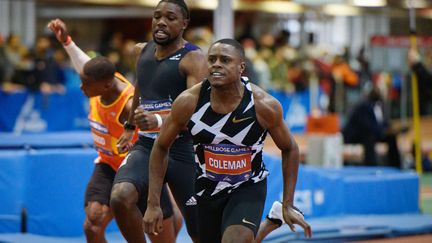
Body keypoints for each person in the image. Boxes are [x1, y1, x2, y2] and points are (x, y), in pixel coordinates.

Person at [143, 38, 312, 242]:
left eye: (225, 60)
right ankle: (269, 224)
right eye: (212, 59)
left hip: (247, 187)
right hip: (206, 187)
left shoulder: (263, 105)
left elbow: (290, 148)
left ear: (241, 67)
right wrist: (153, 203)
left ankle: (270, 219)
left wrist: (288, 203)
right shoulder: (189, 102)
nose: (216, 64)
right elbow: (160, 146)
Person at [47, 18, 182, 243]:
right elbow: (84, 65)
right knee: (93, 223)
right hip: (109, 165)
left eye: (85, 84)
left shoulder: (130, 104)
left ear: (106, 85)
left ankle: (173, 212)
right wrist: (67, 41)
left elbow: (168, 124)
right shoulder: (98, 81)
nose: (81, 88)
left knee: (160, 235)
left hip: (140, 169)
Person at [112, 0, 208, 242]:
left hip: (183, 149)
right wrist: (130, 126)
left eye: (170, 17)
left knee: (201, 232)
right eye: (157, 16)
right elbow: (140, 88)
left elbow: (196, 115)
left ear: (184, 23)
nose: (162, 22)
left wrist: (155, 119)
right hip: (147, 146)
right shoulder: (141, 50)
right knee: (120, 197)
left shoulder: (194, 59)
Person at [342, 87, 405, 168]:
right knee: (369, 137)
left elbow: (383, 122)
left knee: (391, 137)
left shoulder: (380, 106)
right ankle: (371, 166)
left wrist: (391, 130)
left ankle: (396, 166)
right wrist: (382, 130)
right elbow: (366, 126)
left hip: (375, 132)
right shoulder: (363, 106)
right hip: (357, 135)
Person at [407, 47, 432, 115]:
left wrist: (417, 63)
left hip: (425, 101)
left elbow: (428, 78)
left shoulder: (420, 69)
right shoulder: (420, 69)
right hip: (421, 101)